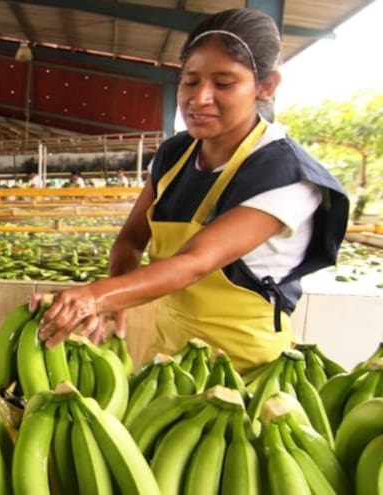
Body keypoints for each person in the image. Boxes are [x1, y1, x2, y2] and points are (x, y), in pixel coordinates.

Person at [29, 8, 349, 373]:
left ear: (266, 86)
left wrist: (94, 297)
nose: (199, 98)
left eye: (223, 83)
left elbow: (195, 263)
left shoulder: (286, 175)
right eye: (190, 81)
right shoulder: (174, 155)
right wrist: (115, 296)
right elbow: (131, 240)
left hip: (246, 369)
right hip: (168, 360)